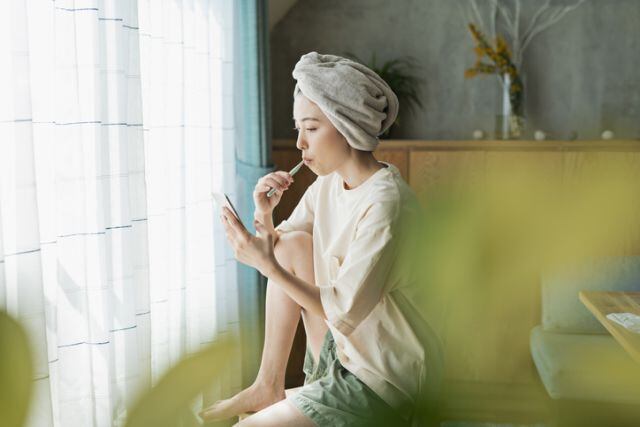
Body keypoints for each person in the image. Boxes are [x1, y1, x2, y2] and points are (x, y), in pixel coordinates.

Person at [200, 52, 435, 426]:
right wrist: (264, 213)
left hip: (379, 381)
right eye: (298, 129)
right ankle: (268, 383)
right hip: (341, 356)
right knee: (292, 243)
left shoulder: (387, 204)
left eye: (310, 128)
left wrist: (265, 264)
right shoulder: (327, 186)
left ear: (347, 126)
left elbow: (341, 311)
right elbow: (281, 252)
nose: (299, 144)